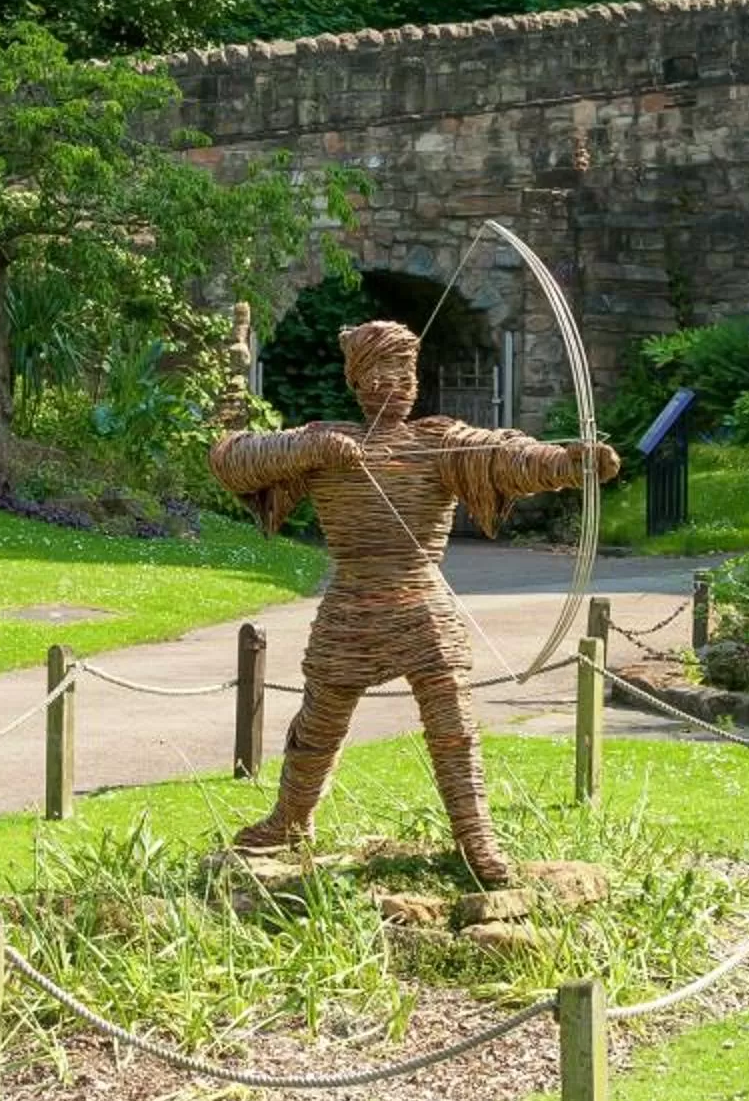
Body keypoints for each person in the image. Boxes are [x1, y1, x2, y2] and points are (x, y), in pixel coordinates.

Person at [209, 319, 617, 884]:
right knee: (319, 721)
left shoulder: (437, 442)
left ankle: (478, 841)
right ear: (355, 379)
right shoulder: (325, 444)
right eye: (376, 370)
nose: (390, 383)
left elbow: (503, 455)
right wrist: (309, 446)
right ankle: (289, 820)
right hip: (350, 605)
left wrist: (567, 463)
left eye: (402, 370)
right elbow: (231, 458)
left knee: (453, 725)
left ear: (417, 376)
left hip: (423, 606)